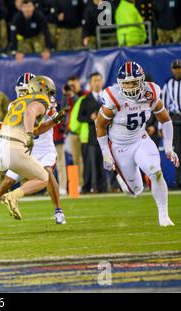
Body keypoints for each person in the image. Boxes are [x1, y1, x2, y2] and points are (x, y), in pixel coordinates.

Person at [96, 61, 179, 227]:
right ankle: (125, 181)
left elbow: (166, 120)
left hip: (140, 140)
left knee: (156, 171)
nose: (130, 87)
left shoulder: (150, 93)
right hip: (119, 146)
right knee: (135, 190)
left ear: (142, 81)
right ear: (119, 84)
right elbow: (100, 126)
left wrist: (169, 147)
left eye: (134, 83)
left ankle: (164, 216)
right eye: (126, 84)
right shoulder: (113, 97)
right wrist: (106, 153)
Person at [0, 73, 68, 224]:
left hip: (42, 147)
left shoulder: (44, 102)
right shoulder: (15, 104)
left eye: (25, 91)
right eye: (20, 91)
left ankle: (58, 210)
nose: (23, 94)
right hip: (22, 147)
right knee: (6, 182)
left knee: (47, 173)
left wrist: (53, 120)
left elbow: (36, 128)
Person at [77, 72, 106, 193]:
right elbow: (79, 117)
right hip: (92, 136)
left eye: (99, 80)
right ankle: (91, 186)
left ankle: (106, 186)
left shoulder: (107, 97)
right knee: (91, 163)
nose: (97, 83)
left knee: (105, 162)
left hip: (107, 135)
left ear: (102, 82)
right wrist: (91, 118)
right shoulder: (85, 100)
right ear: (90, 83)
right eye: (94, 80)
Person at [162, 59, 181, 189]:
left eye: (179, 68)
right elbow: (164, 107)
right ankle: (179, 181)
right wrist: (161, 126)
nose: (177, 70)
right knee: (178, 151)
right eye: (175, 68)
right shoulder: (168, 84)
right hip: (175, 120)